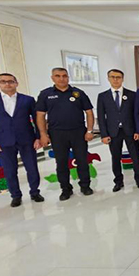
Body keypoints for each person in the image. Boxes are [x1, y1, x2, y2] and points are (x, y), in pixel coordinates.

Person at [36, 67, 94, 201]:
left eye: (64, 76)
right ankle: (65, 189)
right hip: (57, 134)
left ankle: (85, 186)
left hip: (78, 132)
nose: (61, 79)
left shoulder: (78, 93)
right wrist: (43, 134)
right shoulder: (45, 94)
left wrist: (89, 131)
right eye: (58, 76)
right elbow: (40, 115)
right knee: (61, 163)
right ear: (52, 78)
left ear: (68, 77)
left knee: (82, 160)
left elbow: (89, 112)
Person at [0, 73, 43, 207]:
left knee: (32, 168)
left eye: (11, 81)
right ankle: (16, 196)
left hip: (27, 139)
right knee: (10, 170)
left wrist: (38, 137)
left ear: (16, 83)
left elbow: (37, 120)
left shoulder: (28, 100)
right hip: (3, 141)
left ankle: (35, 192)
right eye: (3, 81)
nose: (7, 84)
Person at [97, 69, 139, 192]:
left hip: (130, 131)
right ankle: (118, 182)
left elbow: (137, 114)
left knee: (135, 156)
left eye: (118, 77)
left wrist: (137, 130)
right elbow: (101, 117)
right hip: (113, 132)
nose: (115, 79)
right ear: (108, 78)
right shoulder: (103, 96)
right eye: (112, 77)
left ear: (122, 79)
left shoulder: (132, 95)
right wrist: (104, 134)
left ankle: (138, 179)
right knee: (115, 157)